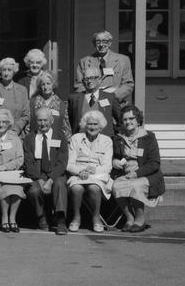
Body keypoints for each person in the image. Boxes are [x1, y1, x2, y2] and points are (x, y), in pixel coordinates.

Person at [110, 104, 164, 233]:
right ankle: (129, 218)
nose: (128, 122)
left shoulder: (149, 137)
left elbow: (154, 163)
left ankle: (140, 220)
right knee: (116, 185)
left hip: (147, 175)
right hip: (126, 174)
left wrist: (136, 173)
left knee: (135, 186)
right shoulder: (118, 138)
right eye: (125, 119)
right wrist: (114, 161)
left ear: (138, 120)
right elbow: (113, 155)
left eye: (131, 118)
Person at [23, 105, 70, 235]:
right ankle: (41, 217)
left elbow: (62, 162)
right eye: (39, 120)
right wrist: (38, 179)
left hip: (55, 172)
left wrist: (50, 180)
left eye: (45, 120)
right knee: (34, 190)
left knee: (60, 184)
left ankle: (61, 220)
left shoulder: (60, 136)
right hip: (36, 173)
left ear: (51, 121)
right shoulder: (29, 138)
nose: (42, 123)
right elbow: (28, 162)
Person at [66, 109, 115, 233]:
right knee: (76, 188)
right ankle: (76, 217)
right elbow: (69, 164)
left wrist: (93, 171)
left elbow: (107, 166)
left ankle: (96, 217)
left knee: (94, 187)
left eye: (95, 124)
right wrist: (80, 171)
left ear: (101, 126)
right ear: (84, 125)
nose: (92, 127)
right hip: (79, 174)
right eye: (89, 124)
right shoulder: (76, 138)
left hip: (98, 176)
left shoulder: (107, 141)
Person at [0, 107, 28, 233]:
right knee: (5, 188)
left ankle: (12, 219)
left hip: (12, 175)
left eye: (4, 122)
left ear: (9, 124)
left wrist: (4, 168)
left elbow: (20, 159)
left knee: (17, 188)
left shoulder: (15, 139)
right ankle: (4, 219)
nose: (1, 124)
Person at [73, 30, 134, 105]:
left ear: (110, 43)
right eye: (98, 42)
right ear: (94, 44)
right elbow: (79, 85)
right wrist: (93, 96)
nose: (101, 45)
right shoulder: (84, 62)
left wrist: (111, 96)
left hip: (115, 103)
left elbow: (128, 84)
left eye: (104, 41)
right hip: (92, 104)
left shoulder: (123, 60)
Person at [69, 59, 120, 138]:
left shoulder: (110, 98)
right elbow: (70, 121)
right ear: (83, 82)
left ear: (99, 79)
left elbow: (120, 120)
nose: (89, 81)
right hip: (80, 143)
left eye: (92, 78)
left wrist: (115, 137)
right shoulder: (74, 99)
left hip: (104, 143)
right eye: (86, 79)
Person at [0, 57, 30, 137]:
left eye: (9, 70)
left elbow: (26, 114)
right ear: (0, 71)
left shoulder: (22, 90)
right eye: (4, 70)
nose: (6, 73)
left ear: (14, 72)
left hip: (16, 134)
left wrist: (15, 129)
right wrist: (0, 129)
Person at [30, 70, 73, 142]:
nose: (46, 87)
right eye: (43, 84)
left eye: (48, 83)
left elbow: (66, 128)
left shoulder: (61, 104)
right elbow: (29, 126)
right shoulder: (33, 102)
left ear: (53, 85)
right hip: (37, 142)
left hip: (55, 143)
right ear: (40, 87)